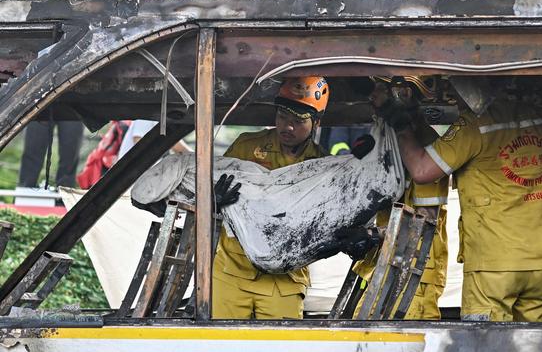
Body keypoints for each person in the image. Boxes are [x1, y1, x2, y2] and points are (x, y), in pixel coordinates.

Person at [385, 78, 542, 322]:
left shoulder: (475, 126)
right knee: (540, 343)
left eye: (454, 94)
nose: (453, 100)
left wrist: (401, 125)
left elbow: (422, 171)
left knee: (486, 341)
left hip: (492, 269)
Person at [211, 76, 330, 319]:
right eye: (282, 117)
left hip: (285, 279)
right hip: (232, 270)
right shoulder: (245, 147)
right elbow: (209, 192)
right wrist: (215, 199)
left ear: (316, 122)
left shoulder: (322, 166)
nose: (287, 127)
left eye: (298, 121)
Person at [353, 76, 449, 320]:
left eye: (382, 92)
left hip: (414, 270)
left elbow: (424, 221)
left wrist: (373, 235)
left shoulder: (425, 145)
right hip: (386, 264)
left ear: (404, 94)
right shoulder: (387, 141)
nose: (373, 98)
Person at [117, 119, 192, 160]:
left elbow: (177, 146)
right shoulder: (147, 116)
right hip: (131, 180)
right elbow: (138, 142)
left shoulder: (163, 121)